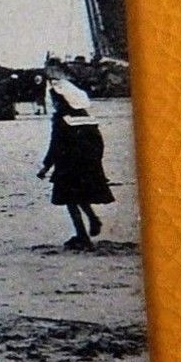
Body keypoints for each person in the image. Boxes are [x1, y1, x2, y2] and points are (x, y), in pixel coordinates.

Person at [38, 62, 113, 251]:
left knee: (71, 200)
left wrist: (46, 167)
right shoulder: (87, 117)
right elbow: (98, 142)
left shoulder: (61, 119)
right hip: (88, 164)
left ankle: (82, 235)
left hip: (68, 165)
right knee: (80, 194)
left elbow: (55, 146)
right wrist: (96, 162)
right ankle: (92, 219)